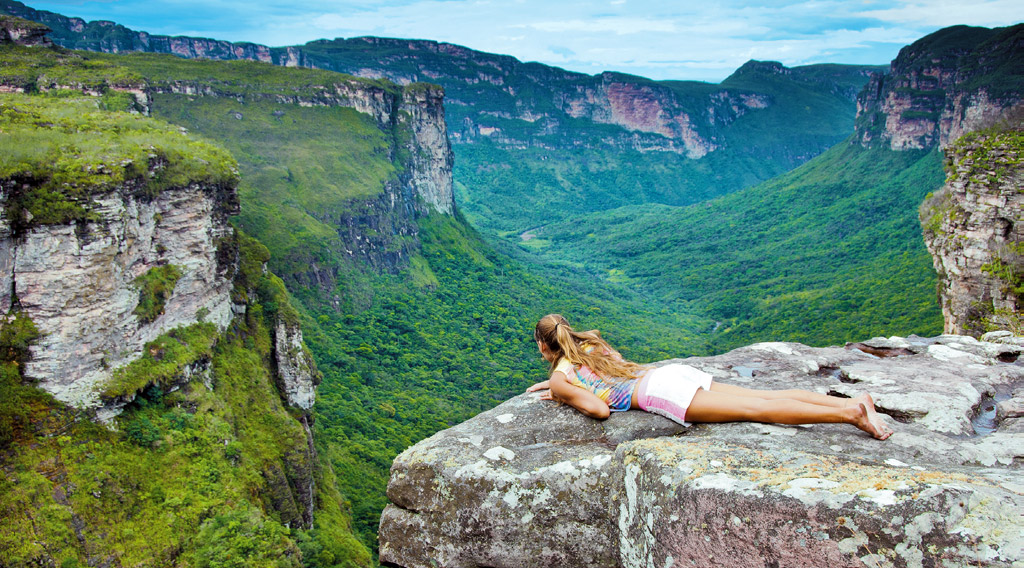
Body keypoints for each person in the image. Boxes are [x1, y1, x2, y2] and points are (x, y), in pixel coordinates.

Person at [527, 314, 893, 440]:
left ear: (545, 347)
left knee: (757, 410)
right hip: (671, 373)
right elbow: (607, 371)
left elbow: (598, 409)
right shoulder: (591, 344)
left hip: (660, 393)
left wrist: (562, 393)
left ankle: (849, 415)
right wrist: (565, 383)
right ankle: (854, 402)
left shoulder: (562, 377)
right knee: (763, 396)